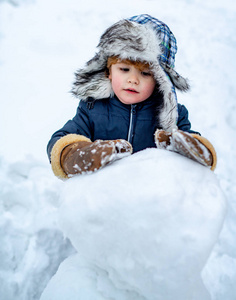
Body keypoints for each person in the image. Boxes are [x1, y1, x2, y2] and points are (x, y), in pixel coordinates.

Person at [47, 14, 217, 179]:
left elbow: (196, 151)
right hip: (102, 197)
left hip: (152, 198)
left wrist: (191, 148)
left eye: (144, 73)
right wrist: (79, 154)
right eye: (124, 69)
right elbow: (60, 140)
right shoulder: (92, 108)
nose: (133, 80)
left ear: (160, 80)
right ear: (109, 72)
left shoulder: (171, 116)